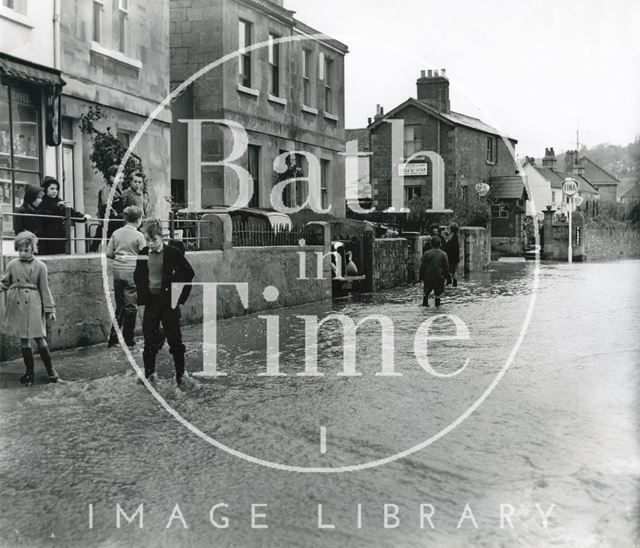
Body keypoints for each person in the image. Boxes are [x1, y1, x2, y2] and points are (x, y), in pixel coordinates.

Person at [134, 219, 195, 384]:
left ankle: (181, 375)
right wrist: (141, 300)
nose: (150, 244)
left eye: (154, 240)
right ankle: (149, 375)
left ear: (162, 237)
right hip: (151, 302)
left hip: (169, 302)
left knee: (175, 339)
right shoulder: (143, 253)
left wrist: (179, 297)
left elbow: (189, 273)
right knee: (149, 340)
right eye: (147, 240)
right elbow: (138, 277)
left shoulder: (172, 253)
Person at [0, 231, 57, 385]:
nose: (23, 253)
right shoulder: (12, 264)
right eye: (20, 250)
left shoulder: (40, 266)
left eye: (26, 250)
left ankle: (51, 370)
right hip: (17, 304)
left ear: (33, 249)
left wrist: (50, 309)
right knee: (24, 341)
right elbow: (4, 283)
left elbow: (45, 289)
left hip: (34, 304)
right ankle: (29, 373)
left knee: (39, 338)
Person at [105, 205, 146, 348]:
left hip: (117, 271)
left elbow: (109, 253)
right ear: (139, 219)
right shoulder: (139, 236)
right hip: (131, 271)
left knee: (120, 305)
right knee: (131, 306)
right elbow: (145, 254)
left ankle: (113, 338)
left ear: (125, 218)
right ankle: (129, 339)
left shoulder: (116, 233)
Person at [39, 177, 91, 255]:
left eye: (56, 189)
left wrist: (83, 217)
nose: (54, 191)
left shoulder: (58, 201)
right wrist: (56, 207)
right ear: (45, 189)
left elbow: (71, 213)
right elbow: (44, 216)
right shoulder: (41, 201)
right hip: (46, 237)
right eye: (52, 189)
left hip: (59, 237)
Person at [91, 164, 124, 252]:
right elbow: (106, 205)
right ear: (112, 177)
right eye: (119, 178)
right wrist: (115, 214)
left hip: (115, 221)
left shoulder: (118, 190)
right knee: (102, 239)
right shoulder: (107, 189)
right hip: (109, 221)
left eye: (122, 178)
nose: (122, 180)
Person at [418, 235, 451, 308]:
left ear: (431, 244)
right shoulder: (444, 254)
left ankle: (425, 308)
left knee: (426, 294)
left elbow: (422, 267)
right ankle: (437, 310)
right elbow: (446, 268)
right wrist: (447, 278)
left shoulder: (426, 253)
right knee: (438, 295)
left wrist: (421, 278)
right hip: (439, 277)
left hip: (428, 277)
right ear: (440, 244)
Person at [445, 223, 461, 287]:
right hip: (453, 257)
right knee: (452, 271)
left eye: (449, 228)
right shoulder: (452, 236)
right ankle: (451, 282)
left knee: (453, 271)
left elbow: (454, 248)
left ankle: (454, 284)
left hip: (453, 258)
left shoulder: (455, 237)